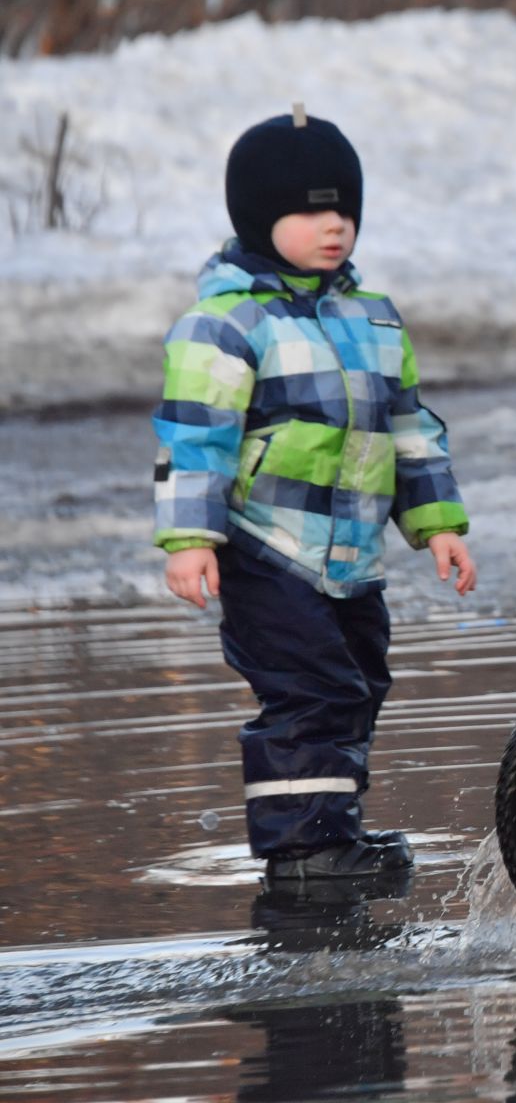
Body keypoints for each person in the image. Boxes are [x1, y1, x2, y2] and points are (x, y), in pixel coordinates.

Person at [153, 108, 476, 880]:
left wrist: (437, 524)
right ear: (262, 219)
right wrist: (192, 539)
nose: (333, 226)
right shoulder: (225, 325)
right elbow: (194, 439)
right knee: (311, 690)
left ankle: (335, 828)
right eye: (309, 210)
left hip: (352, 554)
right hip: (269, 549)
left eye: (344, 209)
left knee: (360, 681)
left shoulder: (373, 317)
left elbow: (407, 429)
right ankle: (304, 851)